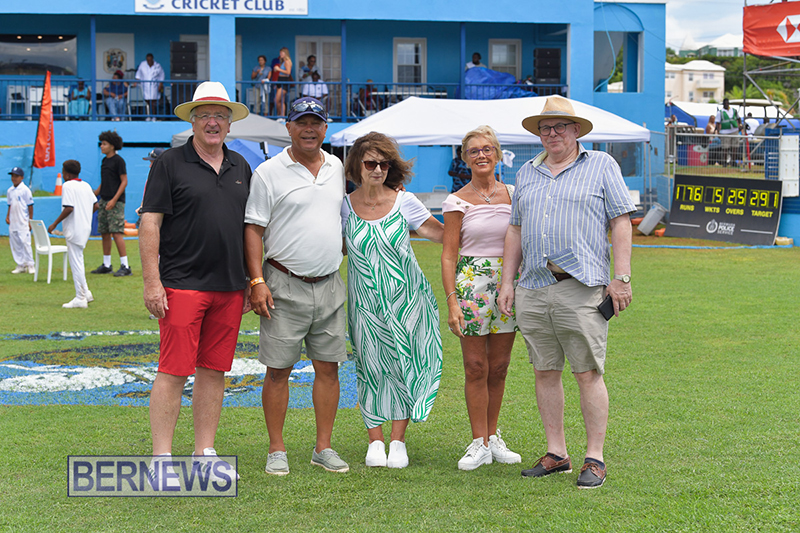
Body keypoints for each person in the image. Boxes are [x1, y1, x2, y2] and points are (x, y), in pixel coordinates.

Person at [498, 95, 635, 490]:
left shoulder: (601, 165)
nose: (552, 133)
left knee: (588, 372)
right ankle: (557, 453)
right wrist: (508, 282)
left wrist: (621, 277)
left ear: (576, 131)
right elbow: (516, 230)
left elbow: (621, 221)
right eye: (545, 127)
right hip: (534, 287)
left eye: (560, 126)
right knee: (544, 372)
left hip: (583, 288)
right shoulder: (526, 172)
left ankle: (595, 458)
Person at [138, 81, 251, 483]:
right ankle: (162, 458)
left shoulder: (241, 166)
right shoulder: (169, 163)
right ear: (193, 120)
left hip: (230, 287)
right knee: (173, 370)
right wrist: (153, 282)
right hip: (182, 284)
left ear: (229, 122)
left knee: (214, 370)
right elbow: (150, 222)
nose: (213, 122)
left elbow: (250, 229)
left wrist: (252, 280)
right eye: (205, 114)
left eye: (220, 115)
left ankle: (204, 450)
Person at [244, 97, 350, 476]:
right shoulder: (269, 172)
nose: (309, 129)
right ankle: (277, 449)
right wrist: (257, 281)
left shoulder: (337, 166)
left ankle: (323, 447)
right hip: (282, 285)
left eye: (316, 123)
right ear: (288, 127)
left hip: (330, 285)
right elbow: (253, 229)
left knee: (329, 369)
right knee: (277, 371)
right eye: (301, 122)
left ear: (326, 128)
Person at [342, 132, 444, 469]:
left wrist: (487, 226)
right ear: (357, 165)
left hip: (407, 301)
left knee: (403, 363)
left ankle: (398, 441)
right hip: (364, 304)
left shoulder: (405, 201)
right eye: (370, 163)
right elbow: (337, 247)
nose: (378, 170)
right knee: (370, 367)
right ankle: (375, 441)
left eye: (384, 164)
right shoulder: (344, 205)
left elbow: (441, 234)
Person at [441, 126, 521, 471]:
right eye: (474, 151)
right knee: (476, 367)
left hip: (509, 284)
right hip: (471, 285)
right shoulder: (456, 200)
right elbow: (448, 254)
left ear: (498, 154)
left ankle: (493, 436)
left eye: (488, 149)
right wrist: (452, 301)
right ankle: (479, 442)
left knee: (499, 367)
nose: (482, 155)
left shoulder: (516, 194)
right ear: (465, 157)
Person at [48, 160, 98, 308]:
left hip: (74, 229)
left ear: (67, 174)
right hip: (84, 228)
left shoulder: (67, 185)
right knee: (79, 260)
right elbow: (96, 205)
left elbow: (69, 208)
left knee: (76, 262)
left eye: (63, 172)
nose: (62, 175)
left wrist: (55, 223)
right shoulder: (86, 185)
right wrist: (85, 216)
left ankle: (80, 297)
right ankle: (86, 293)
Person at [91, 130, 131, 277]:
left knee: (116, 232)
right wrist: (94, 194)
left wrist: (114, 200)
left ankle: (125, 265)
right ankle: (106, 264)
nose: (101, 146)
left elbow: (124, 181)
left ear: (112, 146)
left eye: (105, 144)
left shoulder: (119, 161)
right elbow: (104, 182)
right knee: (105, 233)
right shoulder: (104, 161)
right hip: (104, 201)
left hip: (116, 202)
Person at [6, 167, 35, 274]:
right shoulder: (10, 191)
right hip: (13, 222)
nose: (14, 178)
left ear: (22, 178)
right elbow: (10, 205)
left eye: (16, 176)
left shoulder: (25, 190)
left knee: (25, 242)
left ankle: (30, 264)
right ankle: (20, 264)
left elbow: (30, 206)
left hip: (23, 220)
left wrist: (30, 220)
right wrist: (7, 216)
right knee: (15, 243)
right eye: (13, 176)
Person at [135, 53, 165, 121]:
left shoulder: (157, 66)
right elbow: (138, 75)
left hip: (154, 86)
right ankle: (148, 116)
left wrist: (160, 84)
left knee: (153, 102)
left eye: (150, 60)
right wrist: (136, 82)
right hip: (145, 86)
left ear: (152, 59)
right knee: (146, 102)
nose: (149, 61)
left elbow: (161, 75)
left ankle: (154, 116)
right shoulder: (142, 65)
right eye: (148, 60)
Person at [715, 98, 741, 166]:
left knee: (734, 147)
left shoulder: (734, 110)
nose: (726, 104)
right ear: (723, 104)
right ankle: (724, 162)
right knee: (725, 147)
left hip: (734, 131)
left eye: (727, 103)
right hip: (724, 132)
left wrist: (740, 125)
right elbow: (717, 123)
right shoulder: (720, 112)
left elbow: (739, 118)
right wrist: (718, 132)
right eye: (725, 103)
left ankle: (733, 161)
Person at [273, 47, 293, 118]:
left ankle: (281, 115)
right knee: (281, 100)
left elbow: (288, 72)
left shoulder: (287, 61)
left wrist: (279, 69)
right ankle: (281, 116)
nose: (280, 54)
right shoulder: (283, 62)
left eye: (282, 53)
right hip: (280, 80)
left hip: (284, 81)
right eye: (280, 53)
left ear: (285, 53)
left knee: (276, 100)